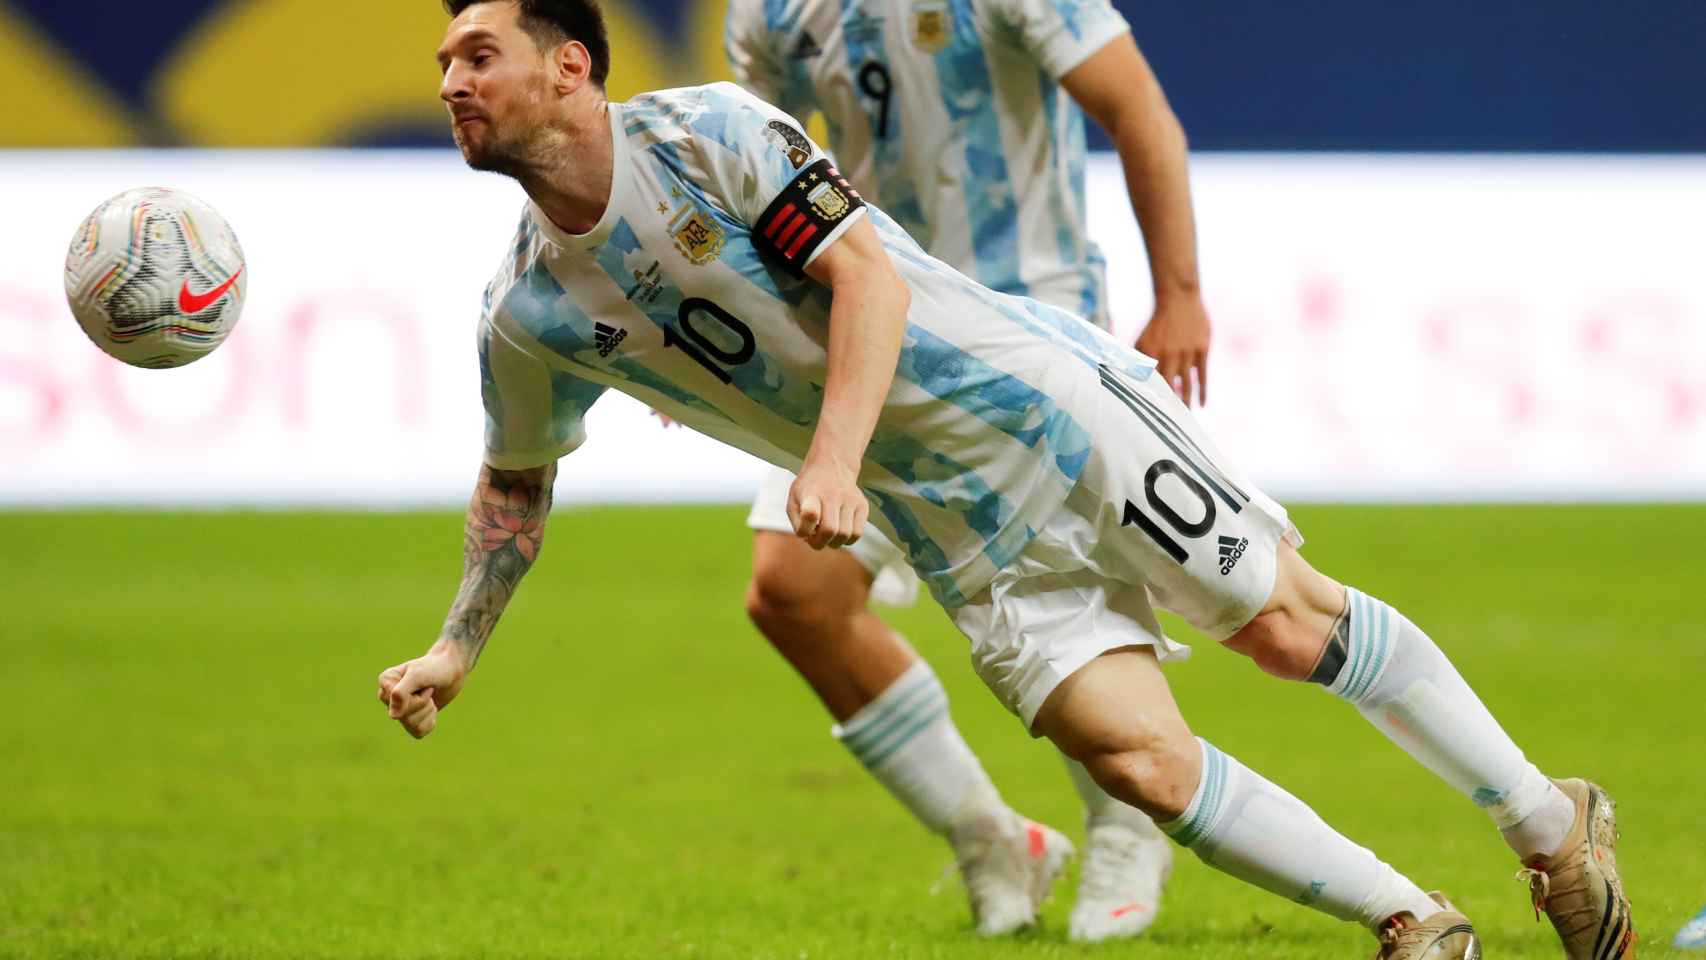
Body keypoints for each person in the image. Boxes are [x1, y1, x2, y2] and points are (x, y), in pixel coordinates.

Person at [379, 3, 1634, 957]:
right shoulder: (526, 311)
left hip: (1046, 409)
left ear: (569, 64)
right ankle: (1412, 923)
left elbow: (863, 276)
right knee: (1135, 758)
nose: (451, 83)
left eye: (476, 54)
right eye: (442, 64)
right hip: (954, 527)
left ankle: (1545, 820)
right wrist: (454, 650)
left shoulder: (705, 130)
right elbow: (514, 487)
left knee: (1281, 627)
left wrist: (827, 457)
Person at [720, 0, 1206, 939]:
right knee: (794, 593)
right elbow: (742, 168)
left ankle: (1126, 817)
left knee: (1051, 584)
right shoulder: (768, 10)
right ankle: (992, 838)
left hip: (1025, 316)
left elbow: (1138, 108)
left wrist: (1179, 292)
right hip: (870, 322)